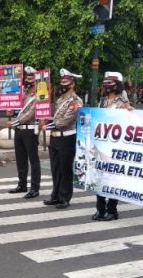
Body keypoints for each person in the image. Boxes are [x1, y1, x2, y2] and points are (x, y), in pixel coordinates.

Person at [93, 71, 132, 221]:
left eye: (110, 83)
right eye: (105, 82)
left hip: (115, 146)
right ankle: (100, 209)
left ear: (117, 85)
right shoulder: (102, 101)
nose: (106, 85)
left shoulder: (122, 102)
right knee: (100, 178)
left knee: (113, 178)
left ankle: (112, 210)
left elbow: (126, 122)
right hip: (101, 145)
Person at [43, 68, 83, 209]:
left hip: (67, 138)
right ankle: (56, 196)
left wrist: (47, 126)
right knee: (55, 169)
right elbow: (55, 117)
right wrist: (45, 119)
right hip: (55, 138)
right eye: (62, 82)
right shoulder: (60, 99)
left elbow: (64, 121)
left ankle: (65, 197)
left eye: (65, 82)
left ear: (72, 84)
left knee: (65, 170)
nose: (63, 84)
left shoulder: (76, 101)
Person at [7, 65, 41, 198]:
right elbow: (17, 109)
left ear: (36, 79)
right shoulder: (24, 93)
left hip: (30, 130)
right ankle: (22, 184)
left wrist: (14, 122)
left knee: (33, 160)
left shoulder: (39, 93)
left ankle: (35, 188)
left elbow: (31, 114)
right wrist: (10, 111)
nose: (28, 80)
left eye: (30, 77)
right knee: (20, 159)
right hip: (19, 130)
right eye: (27, 77)